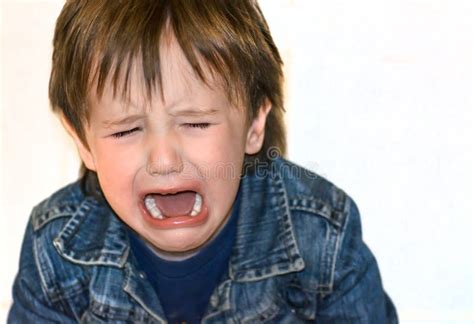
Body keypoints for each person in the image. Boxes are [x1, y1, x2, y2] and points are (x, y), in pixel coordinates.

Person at [8, 0, 398, 323]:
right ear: (83, 141)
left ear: (253, 124)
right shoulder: (55, 253)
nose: (163, 159)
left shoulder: (322, 235)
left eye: (196, 122)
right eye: (126, 130)